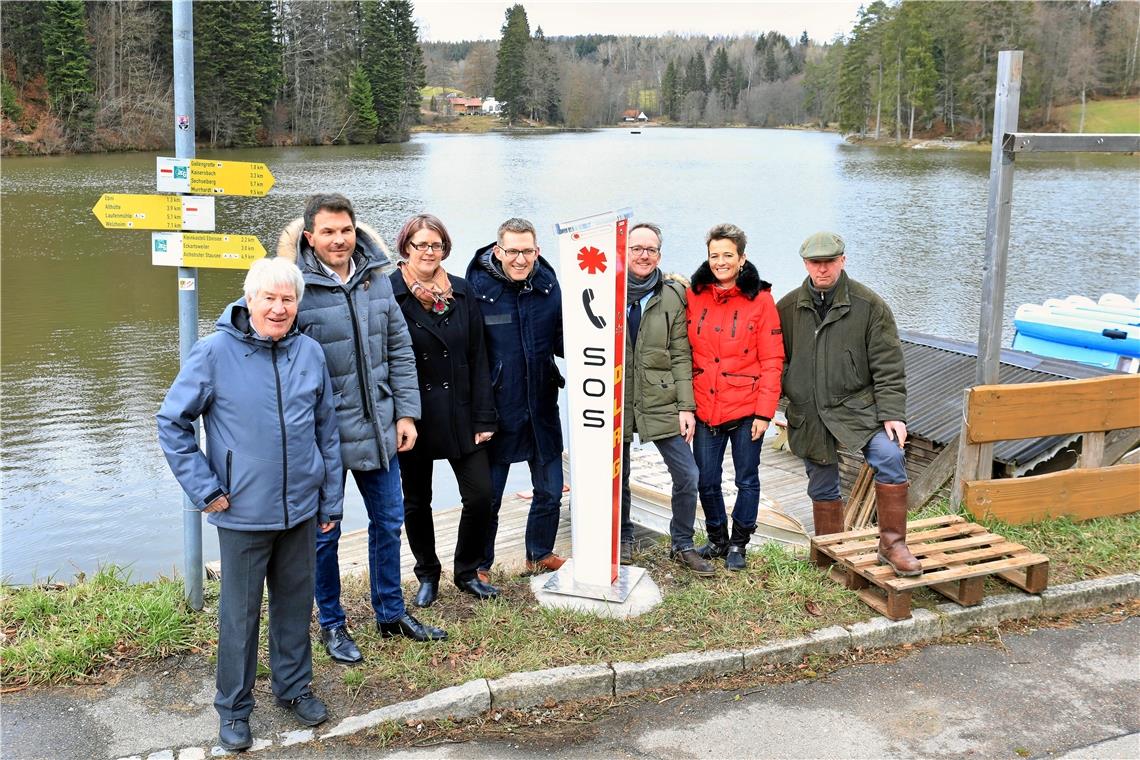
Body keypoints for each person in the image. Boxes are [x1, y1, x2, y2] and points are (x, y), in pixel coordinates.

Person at [157, 258, 340, 751]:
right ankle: (234, 708)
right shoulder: (214, 352)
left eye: (288, 300)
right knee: (239, 617)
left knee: (295, 605)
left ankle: (293, 688)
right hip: (240, 510)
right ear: (249, 299)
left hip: (301, 508)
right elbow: (172, 423)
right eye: (270, 299)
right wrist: (206, 489)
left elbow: (327, 431)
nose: (279, 309)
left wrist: (330, 500)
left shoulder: (311, 353)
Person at [276, 193, 446, 664]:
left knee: (389, 522)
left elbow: (399, 348)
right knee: (325, 534)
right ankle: (331, 624)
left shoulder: (376, 280)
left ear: (356, 232)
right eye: (328, 232)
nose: (339, 239)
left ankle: (390, 614)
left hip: (378, 429)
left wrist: (406, 413)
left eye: (346, 230)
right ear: (310, 237)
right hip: (322, 440)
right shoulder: (294, 287)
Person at [776, 232, 920, 576]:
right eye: (815, 263)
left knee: (890, 456)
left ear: (842, 260)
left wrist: (892, 414)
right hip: (809, 410)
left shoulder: (869, 306)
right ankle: (832, 549)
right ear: (805, 264)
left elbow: (888, 364)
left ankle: (892, 545)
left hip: (859, 408)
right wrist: (789, 391)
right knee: (821, 481)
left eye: (829, 262)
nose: (822, 269)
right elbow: (773, 360)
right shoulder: (787, 307)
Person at [389, 213, 500, 606]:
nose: (429, 252)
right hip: (413, 415)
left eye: (436, 245)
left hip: (461, 411)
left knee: (481, 496)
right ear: (406, 248)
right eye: (421, 244)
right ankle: (427, 574)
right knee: (417, 501)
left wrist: (485, 416)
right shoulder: (389, 293)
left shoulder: (462, 291)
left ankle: (467, 571)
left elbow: (478, 354)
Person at [466, 217, 566, 576]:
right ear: (498, 251)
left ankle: (538, 553)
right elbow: (469, 357)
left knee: (551, 490)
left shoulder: (548, 283)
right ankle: (480, 564)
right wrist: (477, 413)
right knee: (488, 497)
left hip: (541, 406)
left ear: (537, 251)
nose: (521, 259)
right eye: (513, 251)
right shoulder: (475, 290)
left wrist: (596, 340)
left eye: (527, 251)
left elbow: (559, 338)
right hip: (497, 410)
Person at [686, 223, 784, 571]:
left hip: (746, 408)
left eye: (728, 255)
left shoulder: (761, 300)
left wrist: (764, 413)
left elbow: (773, 360)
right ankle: (716, 539)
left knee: (746, 478)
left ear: (742, 258)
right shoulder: (693, 294)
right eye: (715, 255)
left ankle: (739, 545)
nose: (721, 262)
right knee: (706, 479)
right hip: (705, 408)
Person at [619, 222, 713, 577]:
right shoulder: (604, 291)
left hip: (660, 397)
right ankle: (623, 537)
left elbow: (680, 353)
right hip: (617, 398)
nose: (644, 255)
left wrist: (686, 406)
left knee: (687, 474)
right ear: (624, 252)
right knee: (618, 474)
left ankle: (683, 543)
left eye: (651, 249)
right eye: (636, 248)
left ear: (660, 254)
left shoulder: (672, 295)